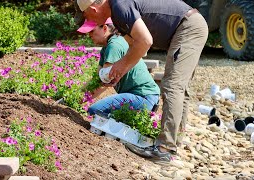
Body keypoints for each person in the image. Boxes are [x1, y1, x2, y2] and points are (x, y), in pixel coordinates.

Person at [74, 0, 209, 162]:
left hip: (188, 26)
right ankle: (173, 143)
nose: (89, 22)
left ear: (93, 9)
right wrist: (120, 71)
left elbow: (145, 42)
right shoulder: (117, 16)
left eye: (86, 16)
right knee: (180, 88)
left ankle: (164, 149)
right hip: (188, 26)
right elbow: (133, 46)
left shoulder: (119, 5)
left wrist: (120, 65)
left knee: (173, 86)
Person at [77, 18, 160, 117]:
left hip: (142, 97)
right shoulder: (107, 47)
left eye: (91, 31)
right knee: (96, 113)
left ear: (104, 28)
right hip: (142, 97)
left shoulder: (114, 45)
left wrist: (76, 99)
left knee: (94, 112)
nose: (89, 35)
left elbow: (104, 81)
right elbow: (98, 80)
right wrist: (76, 96)